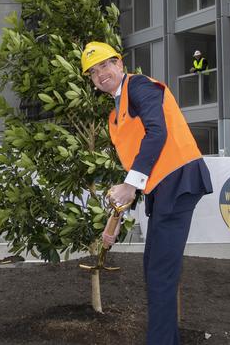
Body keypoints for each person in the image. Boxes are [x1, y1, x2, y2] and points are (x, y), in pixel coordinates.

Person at [81, 41, 212, 345]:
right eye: (93, 72)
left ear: (120, 64)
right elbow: (136, 166)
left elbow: (158, 132)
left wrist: (130, 186)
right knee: (155, 269)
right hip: (163, 187)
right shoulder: (116, 114)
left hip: (178, 181)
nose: (101, 74)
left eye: (105, 65)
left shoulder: (139, 87)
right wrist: (115, 220)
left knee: (160, 273)